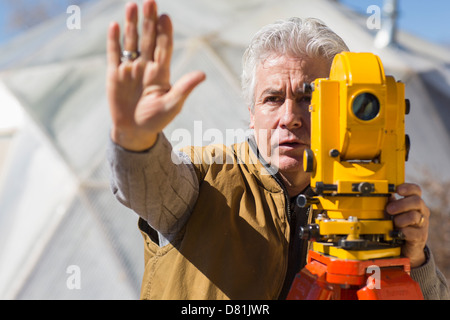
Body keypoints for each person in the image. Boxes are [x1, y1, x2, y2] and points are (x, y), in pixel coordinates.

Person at [106, 0, 449, 300]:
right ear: (251, 115)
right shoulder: (202, 176)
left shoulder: (370, 204)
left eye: (308, 99)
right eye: (273, 99)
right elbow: (148, 184)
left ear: (340, 109)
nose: (290, 118)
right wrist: (135, 139)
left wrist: (414, 259)